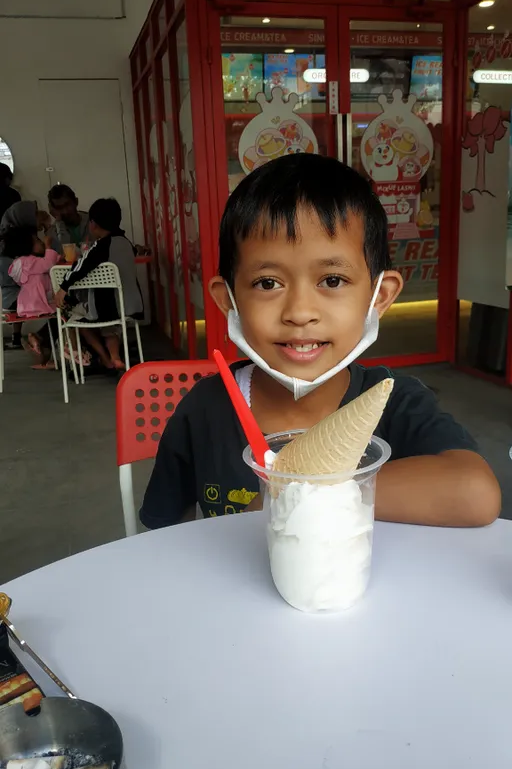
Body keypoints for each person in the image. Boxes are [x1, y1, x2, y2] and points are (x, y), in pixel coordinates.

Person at [140, 154, 501, 530]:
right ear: (228, 299)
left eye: (332, 281)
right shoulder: (202, 411)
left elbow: (474, 493)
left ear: (379, 295)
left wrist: (293, 499)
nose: (299, 312)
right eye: (268, 283)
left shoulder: (393, 402)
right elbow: (166, 533)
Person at [54, 197, 143, 371]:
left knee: (74, 314)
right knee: (109, 321)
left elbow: (79, 267)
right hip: (131, 305)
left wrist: (63, 288)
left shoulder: (101, 246)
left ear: (93, 224)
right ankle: (115, 357)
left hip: (109, 308)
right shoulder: (126, 243)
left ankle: (104, 358)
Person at [2, 226, 60, 369]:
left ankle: (42, 344)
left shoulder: (24, 263)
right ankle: (64, 349)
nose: (41, 243)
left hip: (30, 302)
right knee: (64, 312)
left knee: (62, 313)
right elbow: (48, 264)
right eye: (37, 240)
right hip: (35, 302)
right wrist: (48, 247)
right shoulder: (27, 262)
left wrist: (58, 257)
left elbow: (47, 263)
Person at [0, 201, 52, 349]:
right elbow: (46, 261)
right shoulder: (10, 247)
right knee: (62, 303)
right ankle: (43, 340)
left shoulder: (17, 237)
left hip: (15, 295)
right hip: (15, 298)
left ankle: (38, 339)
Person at [47, 184, 92, 254]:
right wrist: (59, 222)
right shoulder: (53, 232)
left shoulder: (92, 222)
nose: (65, 212)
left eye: (67, 205)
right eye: (59, 208)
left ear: (76, 202)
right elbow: (65, 255)